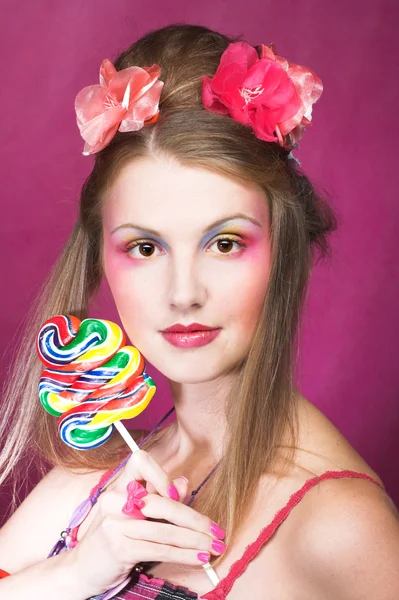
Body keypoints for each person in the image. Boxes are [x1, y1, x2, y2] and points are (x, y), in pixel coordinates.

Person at [0, 22, 398, 600]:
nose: (183, 292)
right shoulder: (107, 477)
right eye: (145, 247)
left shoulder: (342, 530)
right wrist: (78, 573)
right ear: (103, 258)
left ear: (282, 250)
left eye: (225, 243)